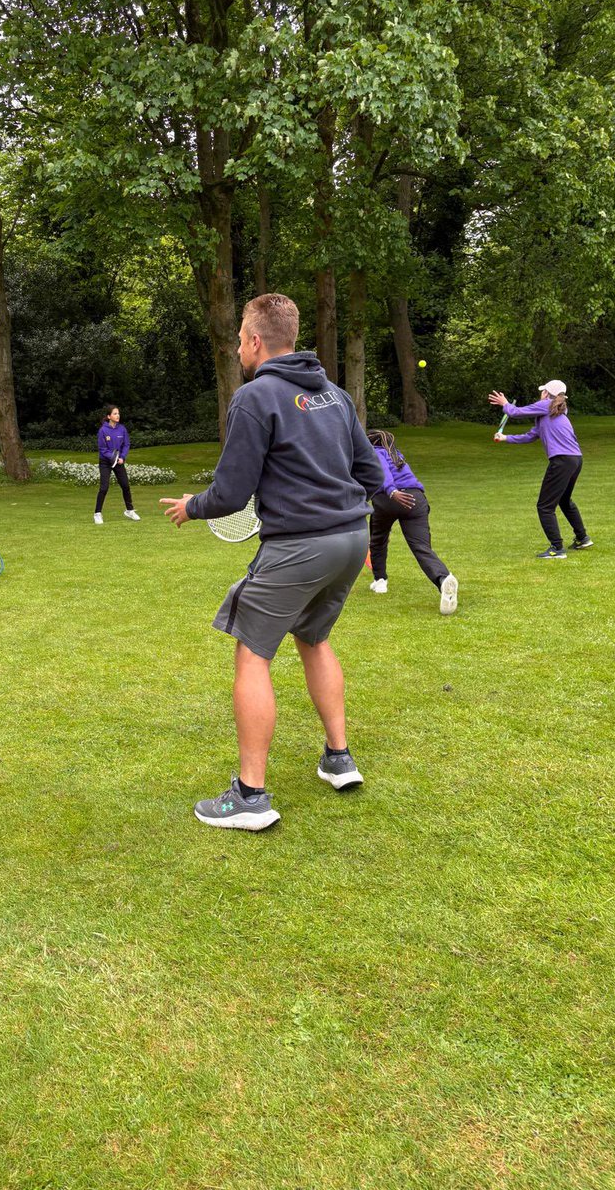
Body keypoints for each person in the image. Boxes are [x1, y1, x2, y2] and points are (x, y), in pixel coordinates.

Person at [161, 293, 384, 831]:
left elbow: (231, 492)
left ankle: (249, 797)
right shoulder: (334, 395)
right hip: (352, 539)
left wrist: (192, 507)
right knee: (313, 637)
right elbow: (373, 475)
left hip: (302, 546)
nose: (239, 346)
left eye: (240, 337)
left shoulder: (254, 397)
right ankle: (338, 758)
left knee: (252, 653)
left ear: (256, 341)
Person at [489, 380, 592, 558]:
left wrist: (505, 404)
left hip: (561, 461)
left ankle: (557, 548)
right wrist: (506, 438)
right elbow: (531, 436)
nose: (541, 393)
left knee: (544, 506)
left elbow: (516, 412)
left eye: (542, 391)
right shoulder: (553, 412)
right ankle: (582, 538)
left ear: (546, 393)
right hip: (575, 460)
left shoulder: (546, 405)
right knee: (564, 500)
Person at [365, 429, 459, 615]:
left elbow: (382, 471)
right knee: (421, 547)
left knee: (378, 540)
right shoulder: (397, 454)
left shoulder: (375, 452)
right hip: (416, 499)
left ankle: (380, 581)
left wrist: (392, 491)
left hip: (390, 498)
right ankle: (443, 578)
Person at [94, 406, 140, 524]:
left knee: (125, 486)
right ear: (109, 416)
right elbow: (103, 449)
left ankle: (129, 510)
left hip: (118, 461)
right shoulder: (103, 431)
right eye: (115, 414)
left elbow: (126, 444)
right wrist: (114, 458)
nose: (117, 415)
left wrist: (122, 457)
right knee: (104, 488)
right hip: (105, 462)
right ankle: (97, 513)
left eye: (118, 413)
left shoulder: (122, 429)